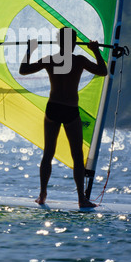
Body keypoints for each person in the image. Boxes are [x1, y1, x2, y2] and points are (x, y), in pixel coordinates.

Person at [19, 28, 108, 208]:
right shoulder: (79, 60)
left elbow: (23, 69)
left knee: (48, 153)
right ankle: (81, 199)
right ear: (74, 44)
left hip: (54, 108)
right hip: (70, 110)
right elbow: (103, 71)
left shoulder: (50, 59)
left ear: (59, 42)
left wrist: (30, 49)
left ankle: (42, 194)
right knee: (77, 156)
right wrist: (96, 50)